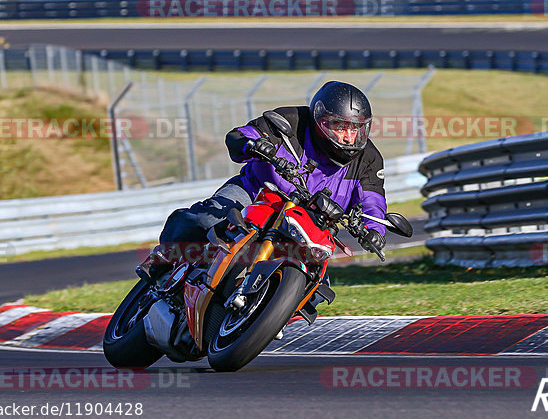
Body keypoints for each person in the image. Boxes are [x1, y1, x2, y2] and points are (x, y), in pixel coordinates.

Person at [144, 80, 388, 280]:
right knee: (209, 217)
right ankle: (165, 255)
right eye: (340, 126)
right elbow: (243, 135)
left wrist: (374, 231)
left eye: (354, 128)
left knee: (317, 281)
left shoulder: (369, 160)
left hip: (310, 227)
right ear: (319, 121)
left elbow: (373, 204)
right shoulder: (291, 122)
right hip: (255, 193)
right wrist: (251, 143)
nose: (348, 137)